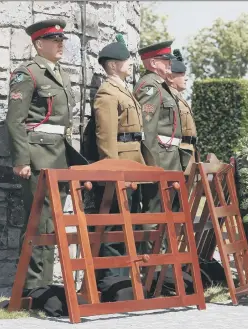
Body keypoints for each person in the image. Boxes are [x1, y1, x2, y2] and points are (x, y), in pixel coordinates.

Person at [5, 18, 87, 312]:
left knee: (52, 224)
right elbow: (15, 121)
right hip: (38, 157)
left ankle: (42, 284)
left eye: (62, 40)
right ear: (39, 44)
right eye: (55, 41)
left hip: (58, 156)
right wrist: (22, 160)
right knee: (38, 222)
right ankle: (31, 285)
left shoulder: (60, 75)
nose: (61, 44)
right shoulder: (27, 74)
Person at [91, 34, 150, 300]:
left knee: (129, 221)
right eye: (126, 60)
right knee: (115, 223)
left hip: (133, 162)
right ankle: (114, 281)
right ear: (113, 65)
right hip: (120, 165)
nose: (130, 64)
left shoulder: (124, 90)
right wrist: (113, 170)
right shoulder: (107, 92)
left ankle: (128, 278)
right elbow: (106, 137)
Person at [133, 40, 188, 253]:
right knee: (154, 214)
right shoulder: (150, 86)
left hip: (170, 157)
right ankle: (152, 271)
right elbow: (147, 130)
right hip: (160, 159)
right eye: (165, 61)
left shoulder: (161, 87)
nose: (169, 65)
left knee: (167, 214)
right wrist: (153, 166)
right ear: (153, 63)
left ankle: (164, 267)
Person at [165, 49, 199, 171]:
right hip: (179, 155)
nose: (186, 79)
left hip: (188, 152)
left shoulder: (179, 98)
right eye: (182, 74)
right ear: (170, 77)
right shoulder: (169, 99)